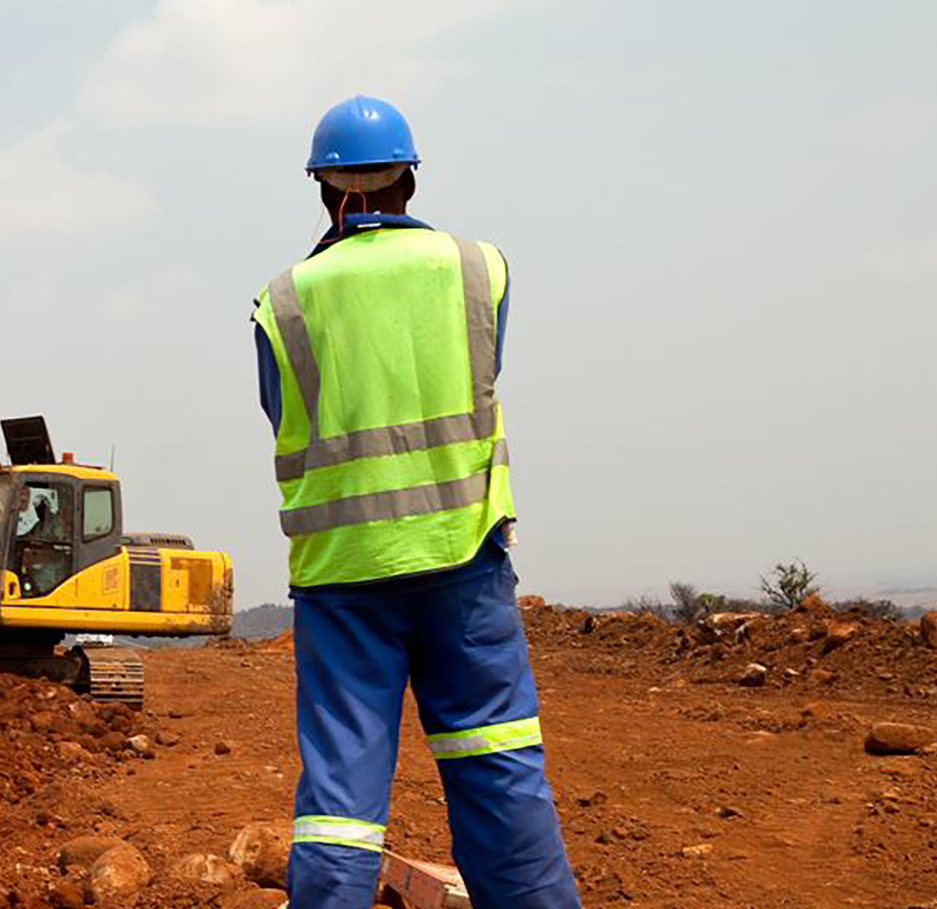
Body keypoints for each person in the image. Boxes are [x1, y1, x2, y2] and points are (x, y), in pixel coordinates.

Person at [251, 95, 582, 909]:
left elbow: (283, 411)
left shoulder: (285, 298)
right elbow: (482, 370)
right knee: (498, 766)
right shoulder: (478, 266)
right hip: (465, 563)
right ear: (408, 178)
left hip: (342, 579)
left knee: (340, 802)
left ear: (326, 190)